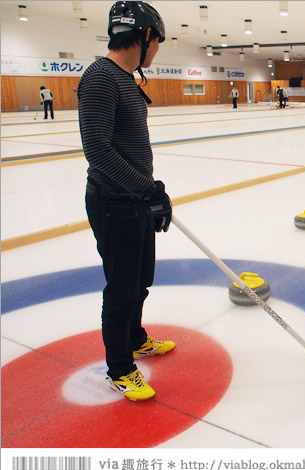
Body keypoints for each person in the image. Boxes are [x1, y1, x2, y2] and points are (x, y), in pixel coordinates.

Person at [78, 1, 175, 402]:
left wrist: (149, 193)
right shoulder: (101, 78)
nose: (156, 52)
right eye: (158, 43)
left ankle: (135, 338)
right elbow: (97, 151)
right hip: (113, 203)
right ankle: (120, 368)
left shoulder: (124, 78)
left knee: (140, 281)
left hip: (133, 199)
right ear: (146, 35)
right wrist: (145, 188)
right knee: (121, 289)